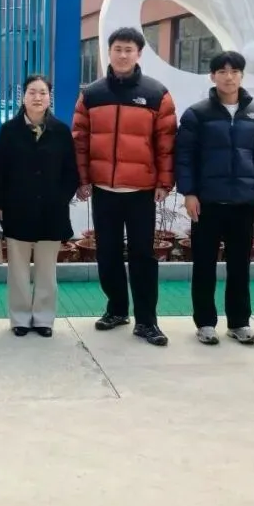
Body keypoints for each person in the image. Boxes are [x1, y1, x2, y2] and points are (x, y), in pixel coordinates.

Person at [72, 26, 177, 346]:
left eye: (129, 49)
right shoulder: (92, 94)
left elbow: (166, 143)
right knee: (107, 253)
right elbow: (80, 141)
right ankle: (116, 309)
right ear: (109, 52)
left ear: (139, 54)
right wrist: (83, 180)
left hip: (141, 191)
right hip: (104, 191)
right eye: (117, 49)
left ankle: (146, 321)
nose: (122, 54)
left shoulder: (156, 94)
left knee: (143, 255)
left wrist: (164, 182)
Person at [174, 50, 254, 345]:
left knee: (240, 265)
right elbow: (185, 157)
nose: (228, 77)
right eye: (222, 71)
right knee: (204, 264)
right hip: (207, 203)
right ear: (212, 76)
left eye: (234, 71)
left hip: (243, 202)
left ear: (242, 75)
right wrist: (189, 193)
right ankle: (205, 323)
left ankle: (239, 323)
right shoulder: (197, 114)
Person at [0, 75, 80, 337]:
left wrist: (60, 198)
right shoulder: (9, 130)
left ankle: (43, 318)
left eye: (42, 92)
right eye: (32, 92)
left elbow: (71, 172)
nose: (37, 97)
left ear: (50, 97)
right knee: (17, 269)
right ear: (23, 97)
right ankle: (19, 318)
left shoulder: (61, 131)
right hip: (17, 209)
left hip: (52, 211)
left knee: (46, 269)